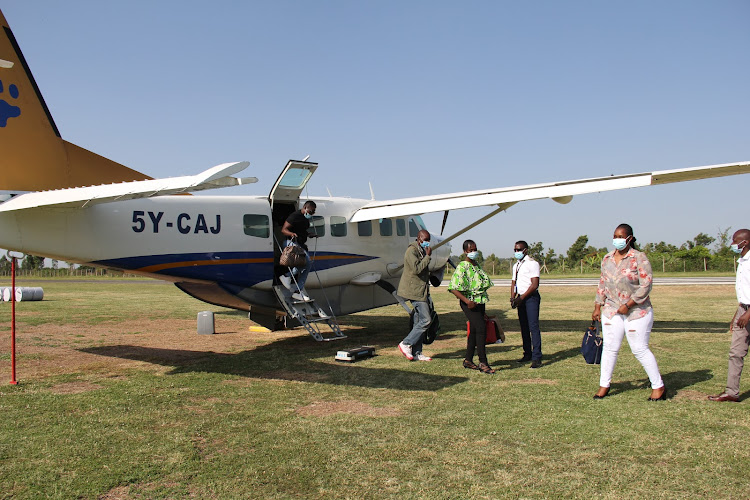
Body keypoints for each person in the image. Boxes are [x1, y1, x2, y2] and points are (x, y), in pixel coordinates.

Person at [592, 223, 666, 401]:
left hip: (637, 311)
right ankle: (604, 385)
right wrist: (597, 305)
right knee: (609, 348)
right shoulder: (607, 258)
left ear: (630, 238)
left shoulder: (639, 257)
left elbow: (646, 285)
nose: (617, 240)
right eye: (615, 236)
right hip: (611, 309)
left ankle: (658, 386)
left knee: (639, 348)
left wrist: (630, 303)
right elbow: (603, 282)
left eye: (620, 236)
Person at [708, 228, 750, 403]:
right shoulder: (742, 261)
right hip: (743, 309)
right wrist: (738, 313)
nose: (732, 244)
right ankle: (732, 392)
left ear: (745, 242)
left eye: (735, 241)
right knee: (736, 352)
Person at [449, 239, 495, 374]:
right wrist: (467, 301)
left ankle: (468, 360)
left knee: (475, 330)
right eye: (471, 250)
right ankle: (483, 362)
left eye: (475, 249)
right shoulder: (462, 266)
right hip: (469, 303)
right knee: (481, 329)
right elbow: (453, 288)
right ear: (465, 252)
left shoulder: (476, 265)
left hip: (480, 301)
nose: (473, 252)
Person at [396, 229, 434, 362]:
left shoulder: (421, 250)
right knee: (426, 320)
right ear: (419, 239)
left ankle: (417, 352)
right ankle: (406, 343)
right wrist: (428, 257)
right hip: (414, 292)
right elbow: (417, 269)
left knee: (418, 321)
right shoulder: (411, 251)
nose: (427, 243)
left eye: (429, 240)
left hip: (421, 290)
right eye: (425, 240)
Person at [511, 240, 542, 368]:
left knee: (533, 327)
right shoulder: (516, 265)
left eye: (519, 250)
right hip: (520, 298)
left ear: (525, 250)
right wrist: (513, 297)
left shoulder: (532, 264)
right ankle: (527, 353)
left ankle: (537, 357)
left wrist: (522, 297)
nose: (517, 252)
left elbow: (534, 284)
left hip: (530, 298)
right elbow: (514, 282)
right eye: (515, 250)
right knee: (523, 327)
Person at [280, 200, 317, 302]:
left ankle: (287, 277)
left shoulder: (305, 220)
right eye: (310, 212)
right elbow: (284, 230)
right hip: (290, 243)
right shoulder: (294, 216)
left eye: (313, 213)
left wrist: (309, 234)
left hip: (300, 244)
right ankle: (296, 291)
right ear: (305, 208)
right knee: (308, 263)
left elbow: (302, 231)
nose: (311, 214)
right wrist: (291, 234)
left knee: (305, 264)